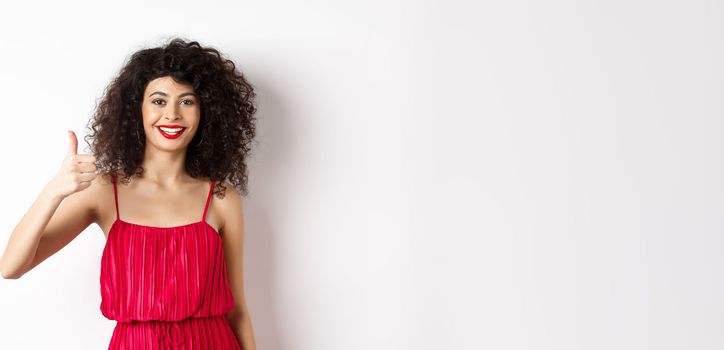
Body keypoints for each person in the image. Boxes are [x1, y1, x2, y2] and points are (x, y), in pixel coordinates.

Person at [0, 37, 258, 349]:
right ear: (137, 110)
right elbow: (10, 267)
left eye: (187, 101)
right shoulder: (105, 192)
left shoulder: (221, 197)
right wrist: (55, 190)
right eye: (159, 101)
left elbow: (238, 311)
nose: (173, 114)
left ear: (206, 112)